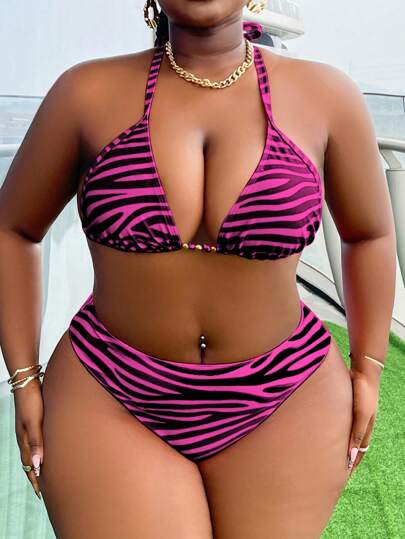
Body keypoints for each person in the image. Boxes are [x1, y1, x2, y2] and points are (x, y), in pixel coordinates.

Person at [0, 0, 396, 537]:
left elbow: (369, 234)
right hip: (110, 389)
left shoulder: (328, 97)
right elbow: (13, 228)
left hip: (288, 395)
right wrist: (23, 378)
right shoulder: (83, 94)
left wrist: (369, 368)